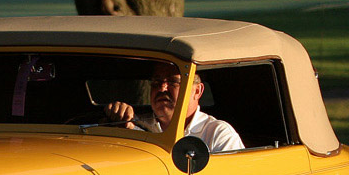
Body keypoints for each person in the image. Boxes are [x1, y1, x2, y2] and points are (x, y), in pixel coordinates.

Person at [104, 66, 245, 152]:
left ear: (197, 91)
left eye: (173, 82)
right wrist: (119, 123)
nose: (162, 88)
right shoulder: (133, 126)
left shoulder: (217, 134)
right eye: (156, 82)